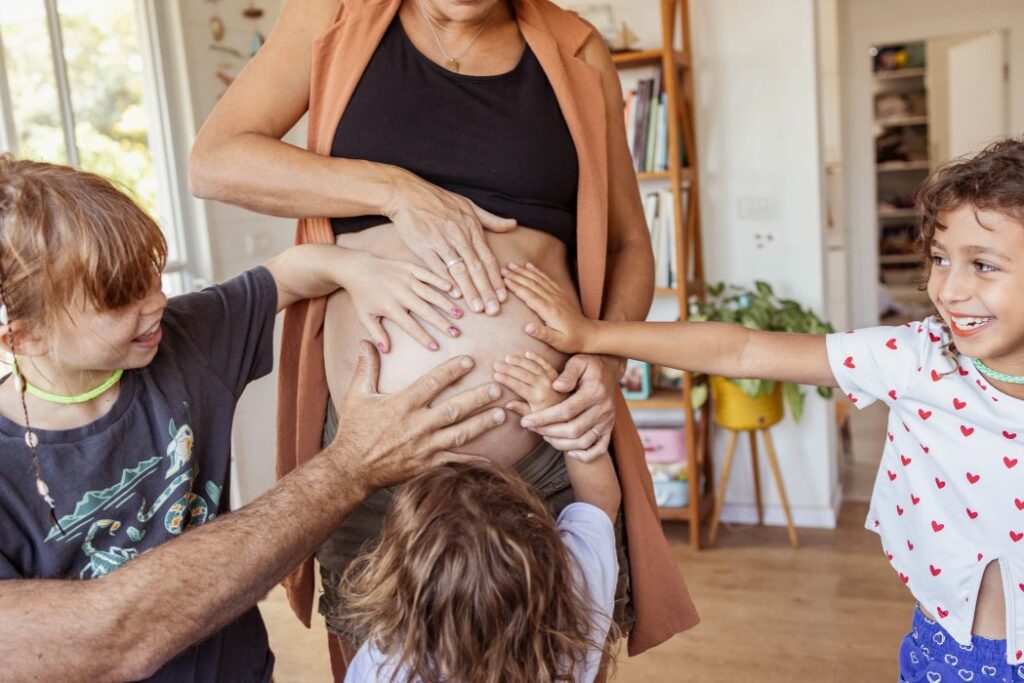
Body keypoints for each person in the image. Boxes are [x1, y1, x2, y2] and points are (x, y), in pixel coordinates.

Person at [189, 0, 698, 672]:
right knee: (377, 656)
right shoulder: (332, 15)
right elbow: (215, 162)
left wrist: (602, 358)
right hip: (376, 449)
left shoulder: (576, 49)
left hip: (545, 441)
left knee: (557, 652)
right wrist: (397, 191)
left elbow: (633, 244)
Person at [501, 137, 1024, 680]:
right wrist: (595, 333)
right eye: (940, 259)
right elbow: (741, 350)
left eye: (983, 265)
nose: (951, 289)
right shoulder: (917, 359)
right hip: (944, 645)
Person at [0, 157, 505, 680]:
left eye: (151, 276)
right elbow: (93, 642)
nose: (156, 302)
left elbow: (285, 275)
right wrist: (353, 461)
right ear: (24, 338)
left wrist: (356, 267)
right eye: (117, 298)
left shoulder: (182, 339)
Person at [342, 350, 620, 683]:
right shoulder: (573, 587)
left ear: (398, 580)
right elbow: (600, 500)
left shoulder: (386, 666)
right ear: (540, 538)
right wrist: (559, 416)